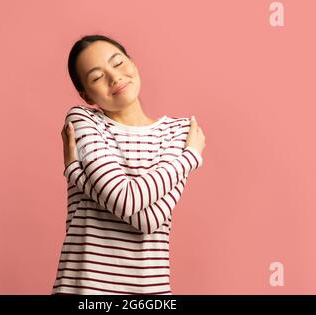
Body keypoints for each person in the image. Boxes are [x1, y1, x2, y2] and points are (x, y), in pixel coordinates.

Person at [52, 34, 206, 295]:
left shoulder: (179, 130)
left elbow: (149, 220)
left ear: (133, 63)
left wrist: (76, 173)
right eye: (97, 77)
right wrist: (190, 158)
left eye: (118, 62)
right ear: (86, 95)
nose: (115, 77)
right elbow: (127, 201)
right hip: (82, 291)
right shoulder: (82, 120)